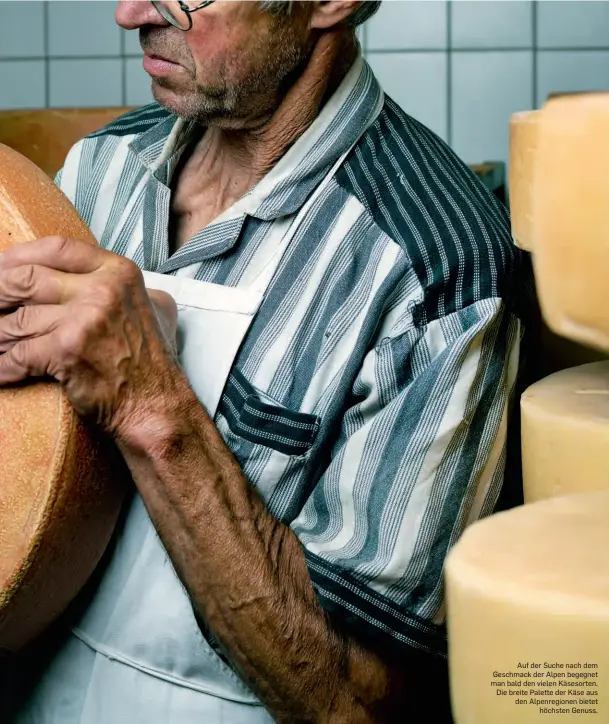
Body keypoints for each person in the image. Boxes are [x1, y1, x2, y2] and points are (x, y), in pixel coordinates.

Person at [2, 1, 533, 722]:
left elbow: (357, 702)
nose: (130, 14)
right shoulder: (103, 164)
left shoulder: (436, 270)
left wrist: (154, 405)